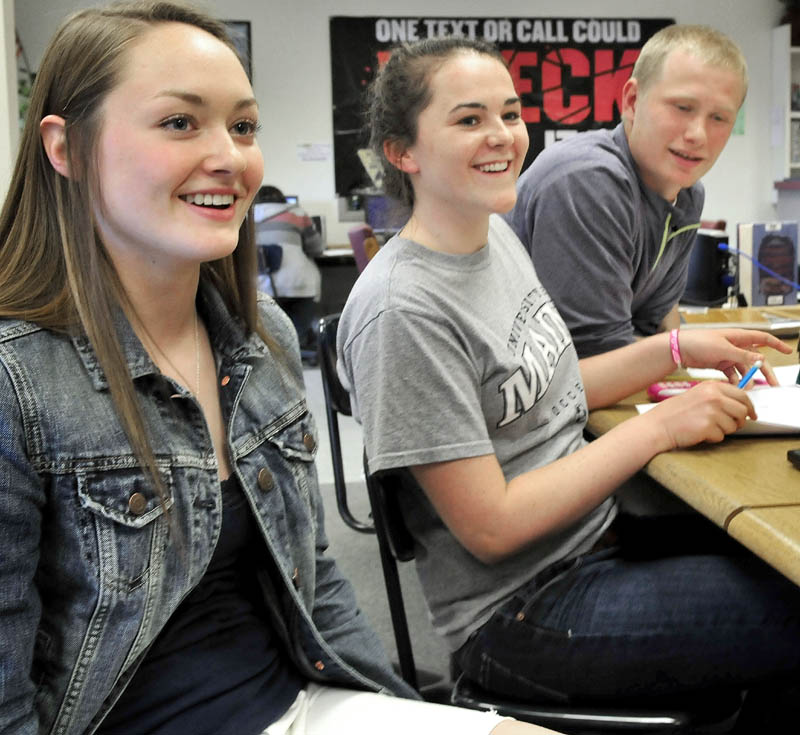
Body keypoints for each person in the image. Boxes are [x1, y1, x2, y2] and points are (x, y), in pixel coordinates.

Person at [0, 5, 558, 735]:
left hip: (304, 699)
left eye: (243, 126)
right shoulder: (21, 383)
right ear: (66, 146)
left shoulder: (257, 338)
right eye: (179, 123)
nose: (229, 157)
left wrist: (400, 710)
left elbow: (317, 579)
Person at [337, 36, 800, 727]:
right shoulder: (403, 310)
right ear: (403, 151)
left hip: (598, 534)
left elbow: (559, 389)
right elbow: (492, 527)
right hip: (522, 610)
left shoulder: (493, 237)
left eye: (510, 113)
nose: (501, 136)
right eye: (468, 120)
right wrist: (658, 426)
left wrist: (675, 346)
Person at [505, 25, 747, 358]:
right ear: (632, 101)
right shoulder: (587, 180)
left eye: (719, 117)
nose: (698, 135)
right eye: (682, 107)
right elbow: (594, 355)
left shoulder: (688, 194)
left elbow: (653, 326)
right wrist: (685, 359)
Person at [254, 185, 323, 357]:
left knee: (268, 332)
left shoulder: (245, 215)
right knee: (297, 329)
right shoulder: (297, 213)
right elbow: (316, 247)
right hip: (299, 285)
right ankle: (295, 347)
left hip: (260, 288)